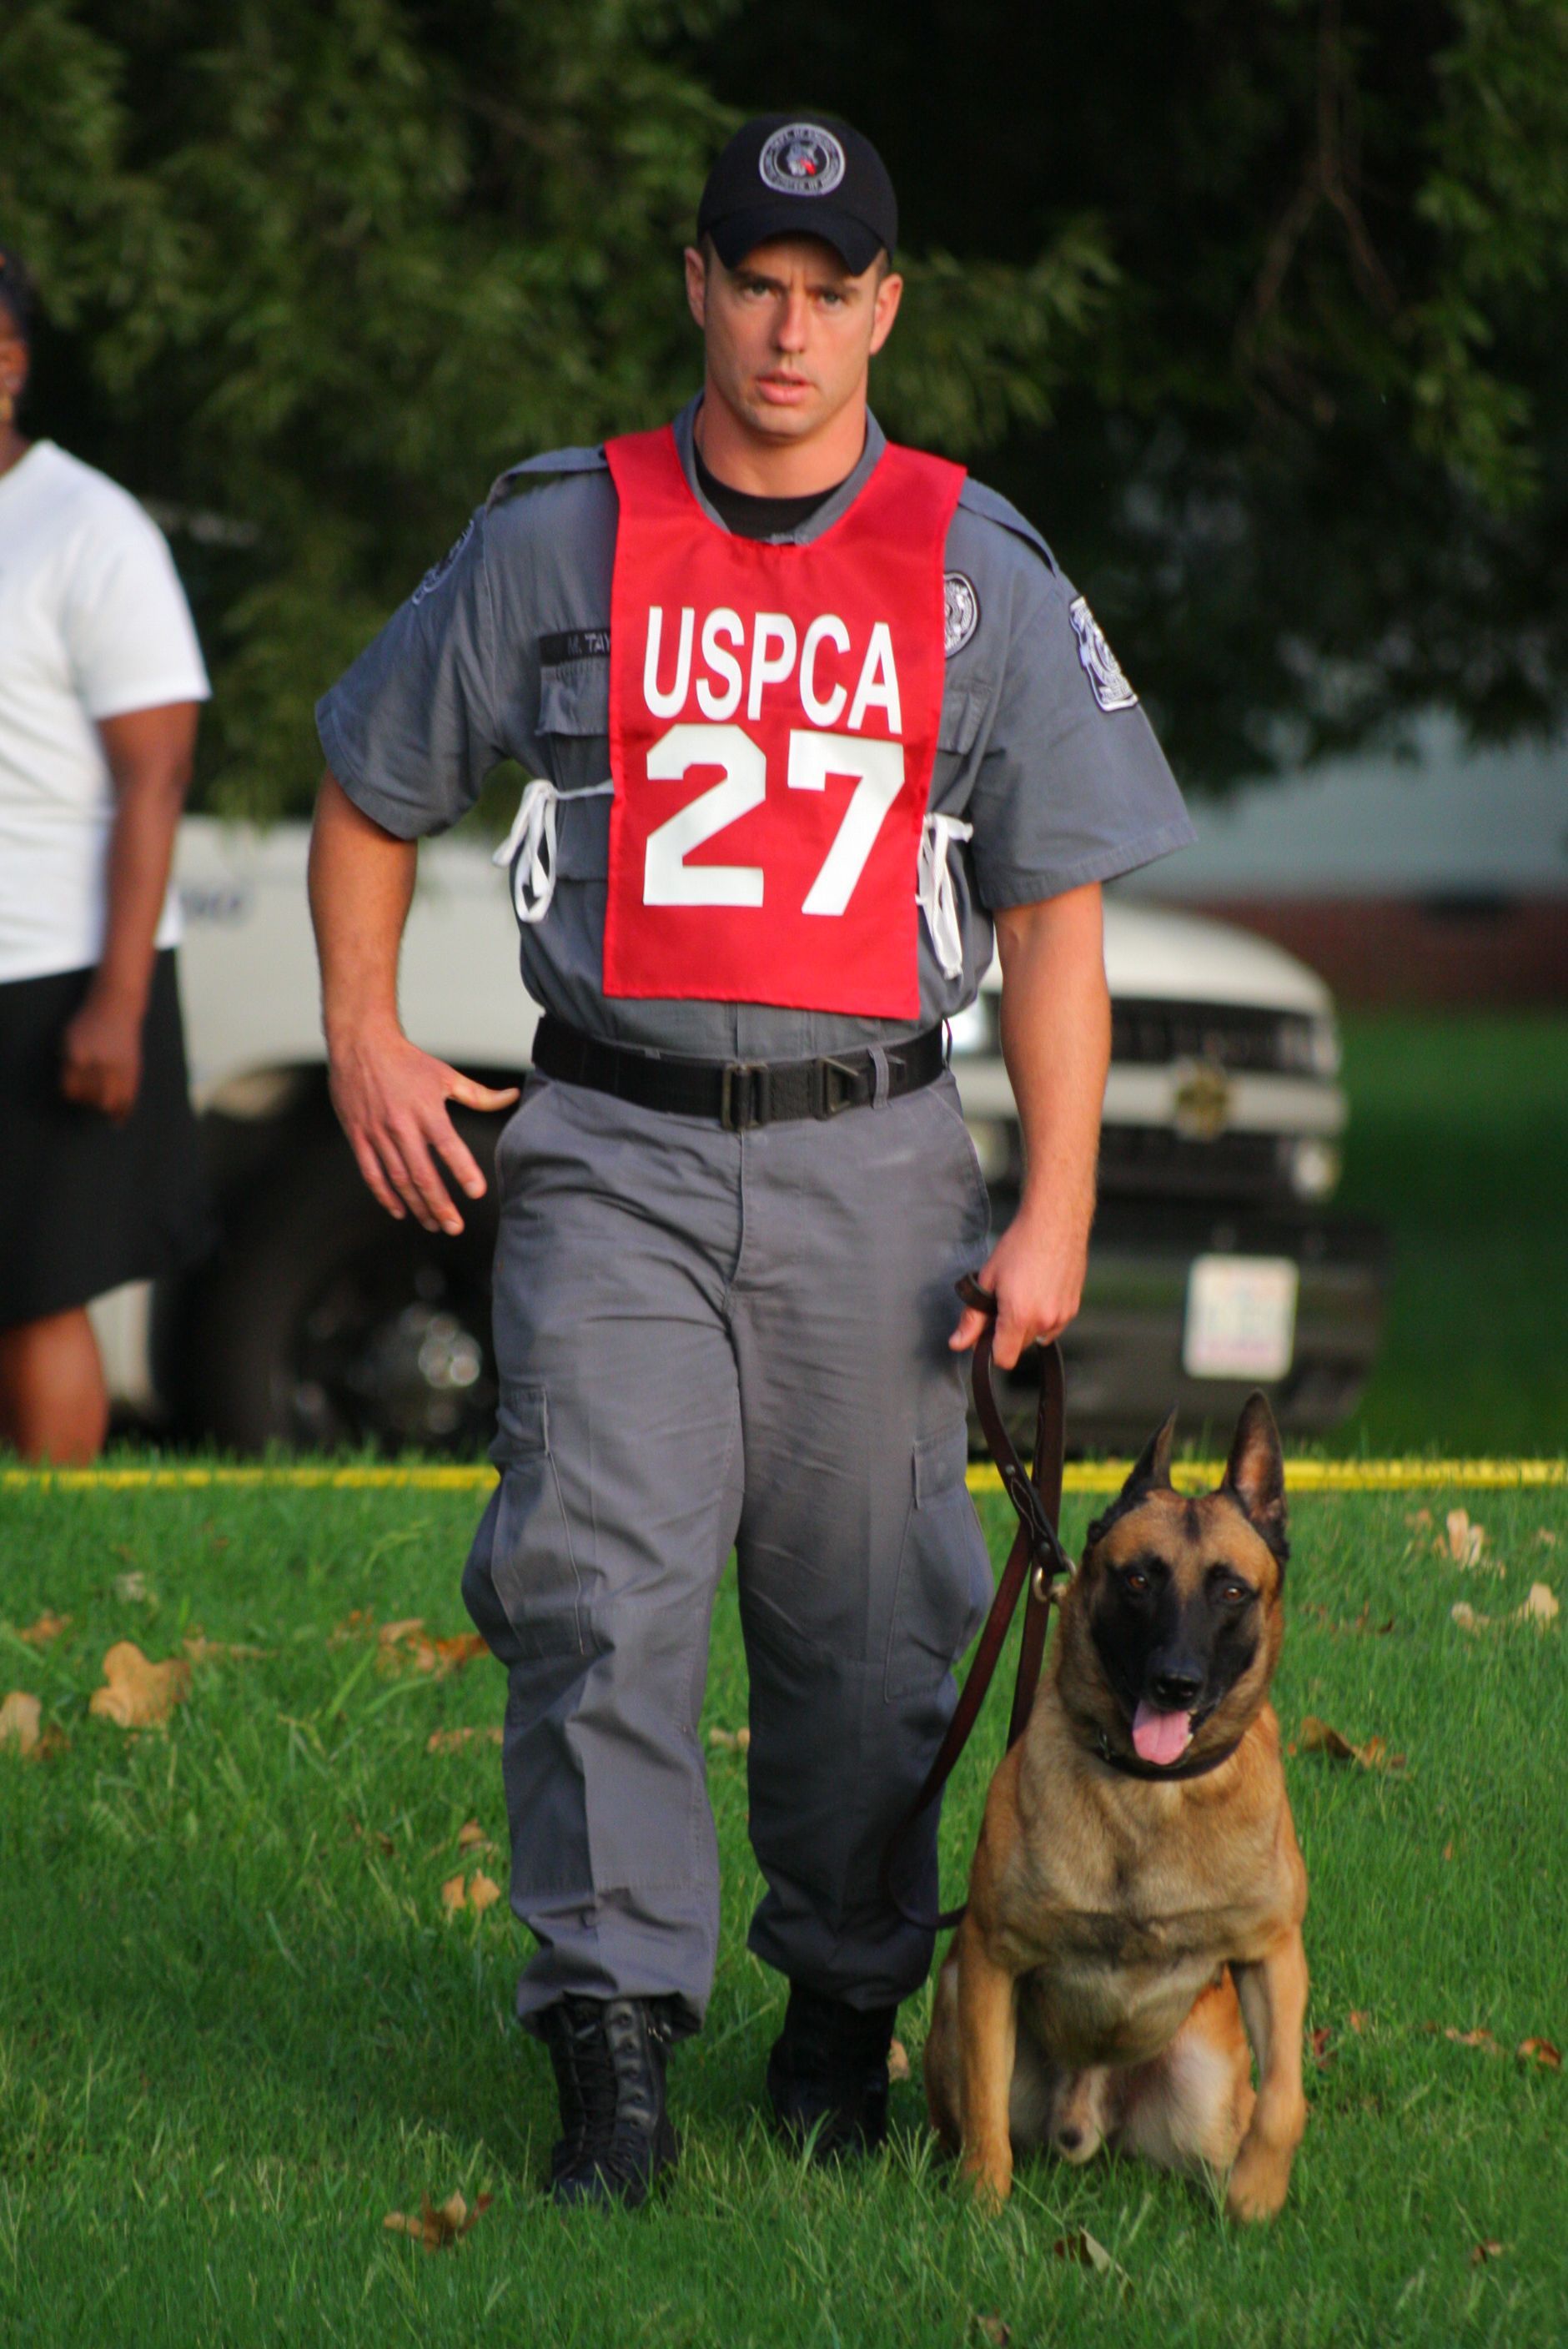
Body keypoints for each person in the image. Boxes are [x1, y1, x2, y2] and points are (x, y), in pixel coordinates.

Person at [309, 113, 1195, 2208]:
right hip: (607, 1138)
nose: (790, 331)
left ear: (885, 307)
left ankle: (846, 2003)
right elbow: (366, 783)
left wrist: (1055, 1203)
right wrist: (360, 1029)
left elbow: (1057, 904)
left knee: (874, 1618)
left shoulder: (973, 563)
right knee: (591, 1590)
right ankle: (608, 2050)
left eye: (833, 291)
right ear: (697, 284)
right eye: (755, 282)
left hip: (873, 1160)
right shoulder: (557, 534)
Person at [0, 249, 214, 1464]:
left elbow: (158, 775)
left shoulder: (87, 528)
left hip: (58, 968)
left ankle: (52, 1565)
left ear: (12, 364)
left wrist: (119, 1003)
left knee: (35, 1287)